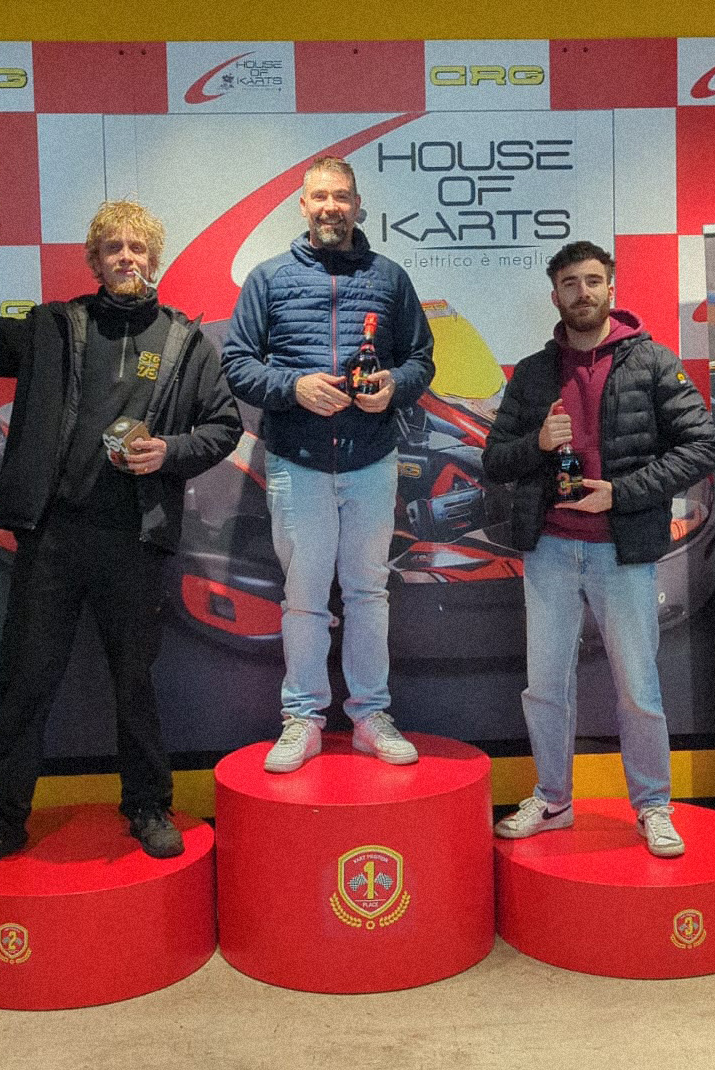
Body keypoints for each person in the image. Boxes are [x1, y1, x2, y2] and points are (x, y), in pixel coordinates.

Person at [0, 200, 243, 876]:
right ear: (95, 261)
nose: (126, 257)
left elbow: (223, 427)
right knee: (26, 683)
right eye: (113, 248)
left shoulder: (187, 343)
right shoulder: (53, 327)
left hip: (135, 541)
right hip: (51, 538)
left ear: (153, 259)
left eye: (137, 247)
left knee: (134, 684)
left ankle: (148, 807)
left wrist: (169, 450)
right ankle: (0, 822)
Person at [483, 240, 715, 857]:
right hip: (550, 550)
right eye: (570, 283)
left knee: (638, 688)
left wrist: (621, 494)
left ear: (610, 289)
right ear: (555, 295)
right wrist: (537, 443)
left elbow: (703, 447)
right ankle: (553, 799)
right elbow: (495, 460)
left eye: (592, 281)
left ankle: (654, 805)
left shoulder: (652, 361)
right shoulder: (534, 372)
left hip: (622, 550)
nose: (582, 292)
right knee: (545, 687)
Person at [222, 156, 434, 773]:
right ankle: (303, 718)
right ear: (303, 205)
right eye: (320, 197)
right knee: (305, 596)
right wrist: (294, 388)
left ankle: (370, 716)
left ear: (357, 204)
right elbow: (237, 363)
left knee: (368, 592)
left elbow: (421, 360)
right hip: (298, 461)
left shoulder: (389, 278)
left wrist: (393, 387)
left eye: (341, 196)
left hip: (371, 459)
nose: (331, 208)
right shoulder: (269, 278)